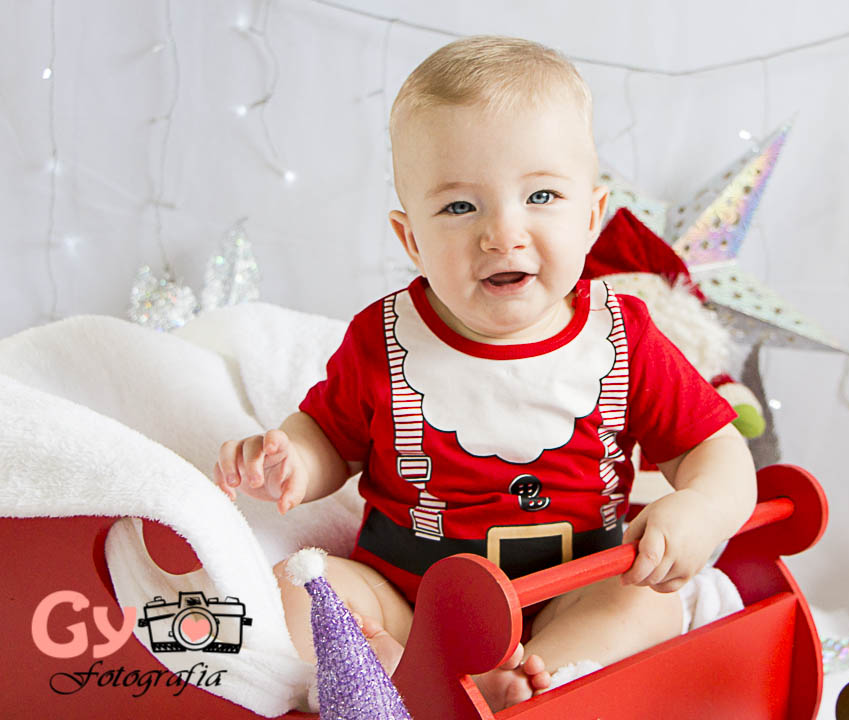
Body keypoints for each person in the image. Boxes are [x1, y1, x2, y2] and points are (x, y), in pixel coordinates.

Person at [214, 35, 757, 712]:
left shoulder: (624, 338)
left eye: (541, 196)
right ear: (411, 238)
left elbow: (719, 451)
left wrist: (701, 507)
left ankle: (534, 681)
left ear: (591, 217)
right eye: (459, 207)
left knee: (646, 601)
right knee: (295, 591)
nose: (503, 233)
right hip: (411, 603)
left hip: (572, 598)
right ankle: (395, 672)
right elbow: (331, 438)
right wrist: (291, 460)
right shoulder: (385, 343)